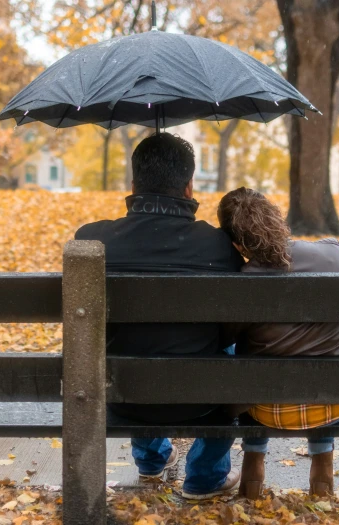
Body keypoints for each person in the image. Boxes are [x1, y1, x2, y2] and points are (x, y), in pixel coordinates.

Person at [74, 133, 243, 499]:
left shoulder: (91, 240)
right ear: (188, 187)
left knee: (130, 341)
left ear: (133, 185)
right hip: (201, 397)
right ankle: (206, 475)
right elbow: (230, 331)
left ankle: (151, 459)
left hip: (120, 394)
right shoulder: (217, 245)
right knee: (232, 351)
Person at [217, 187, 339, 499]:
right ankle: (323, 469)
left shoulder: (242, 283)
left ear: (236, 244)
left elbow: (226, 337)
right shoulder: (331, 253)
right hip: (333, 402)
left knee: (246, 359)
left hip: (268, 409)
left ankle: (253, 467)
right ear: (279, 220)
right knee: (323, 349)